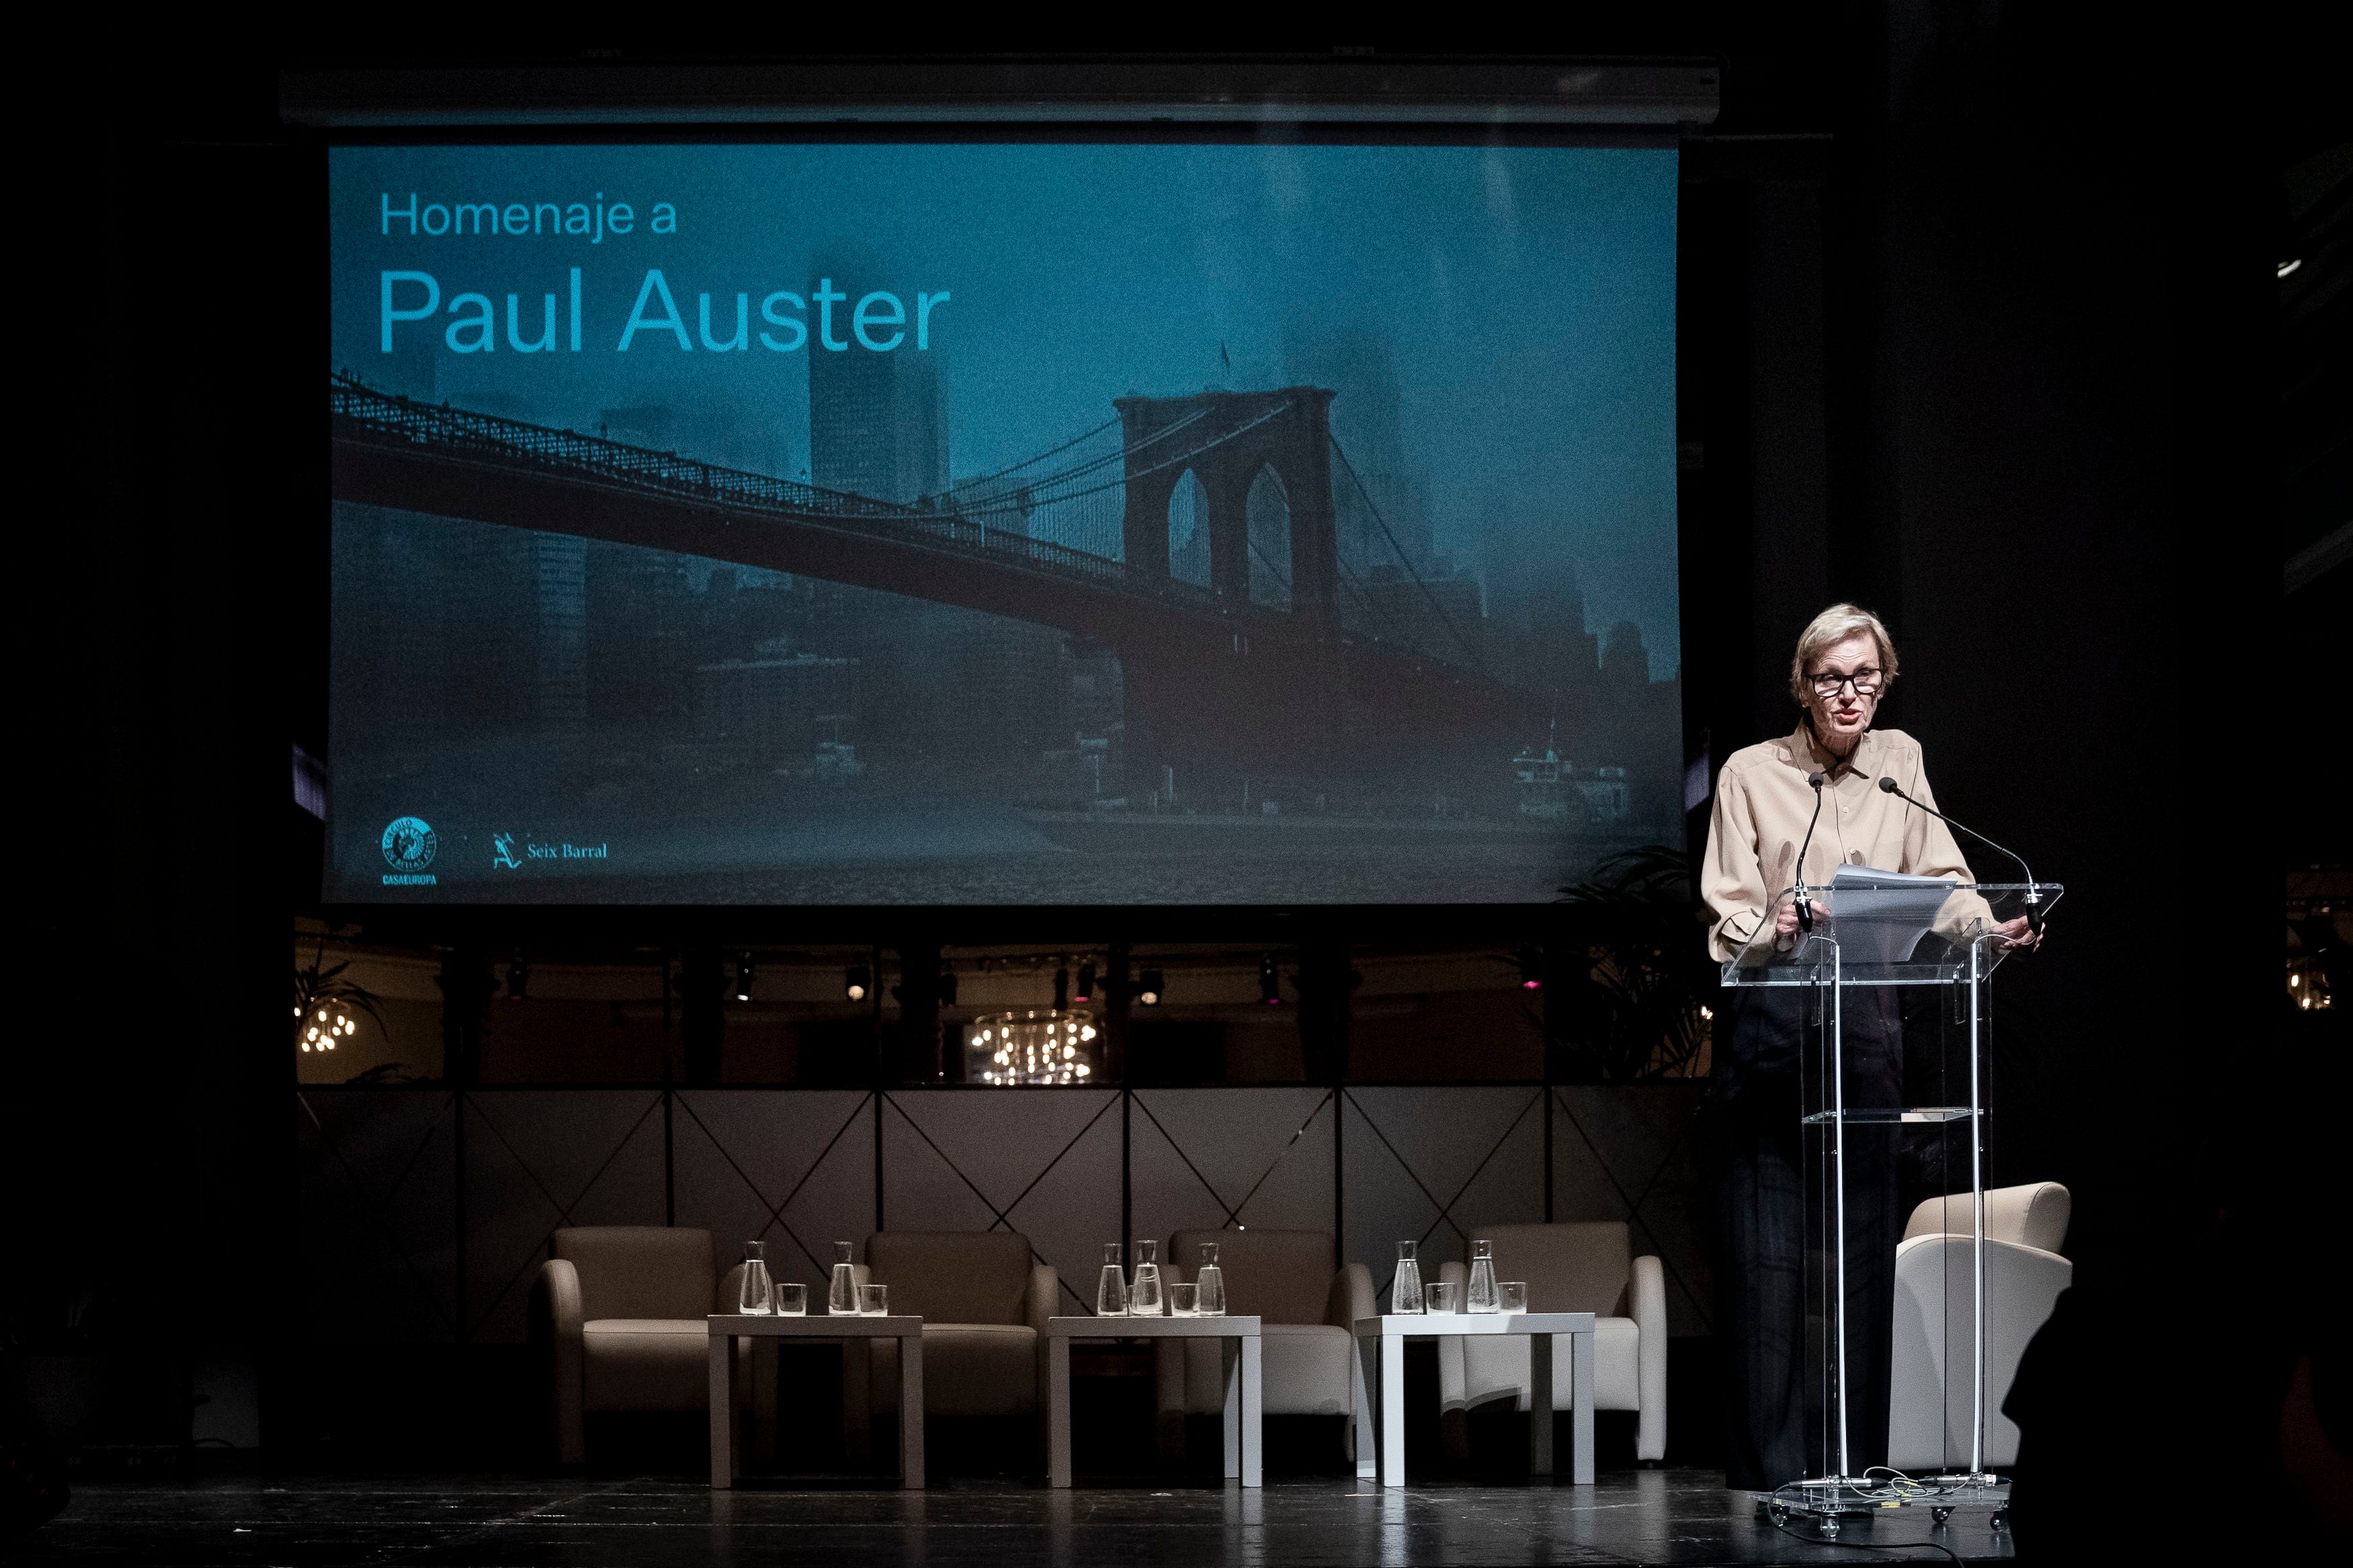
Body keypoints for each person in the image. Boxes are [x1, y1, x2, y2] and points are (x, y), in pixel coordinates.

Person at [1701, 603, 2036, 1493]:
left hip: (1863, 1040)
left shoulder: (1900, 762)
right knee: (1768, 1277)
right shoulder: (1749, 773)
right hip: (1771, 1037)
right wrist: (1772, 923)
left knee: (1858, 1275)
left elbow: (1946, 878)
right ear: (1801, 687)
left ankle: (1848, 1466)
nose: (1849, 695)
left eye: (1865, 678)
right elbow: (1726, 913)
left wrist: (1987, 929)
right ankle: (1772, 1475)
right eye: (1830, 678)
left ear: (1883, 682)